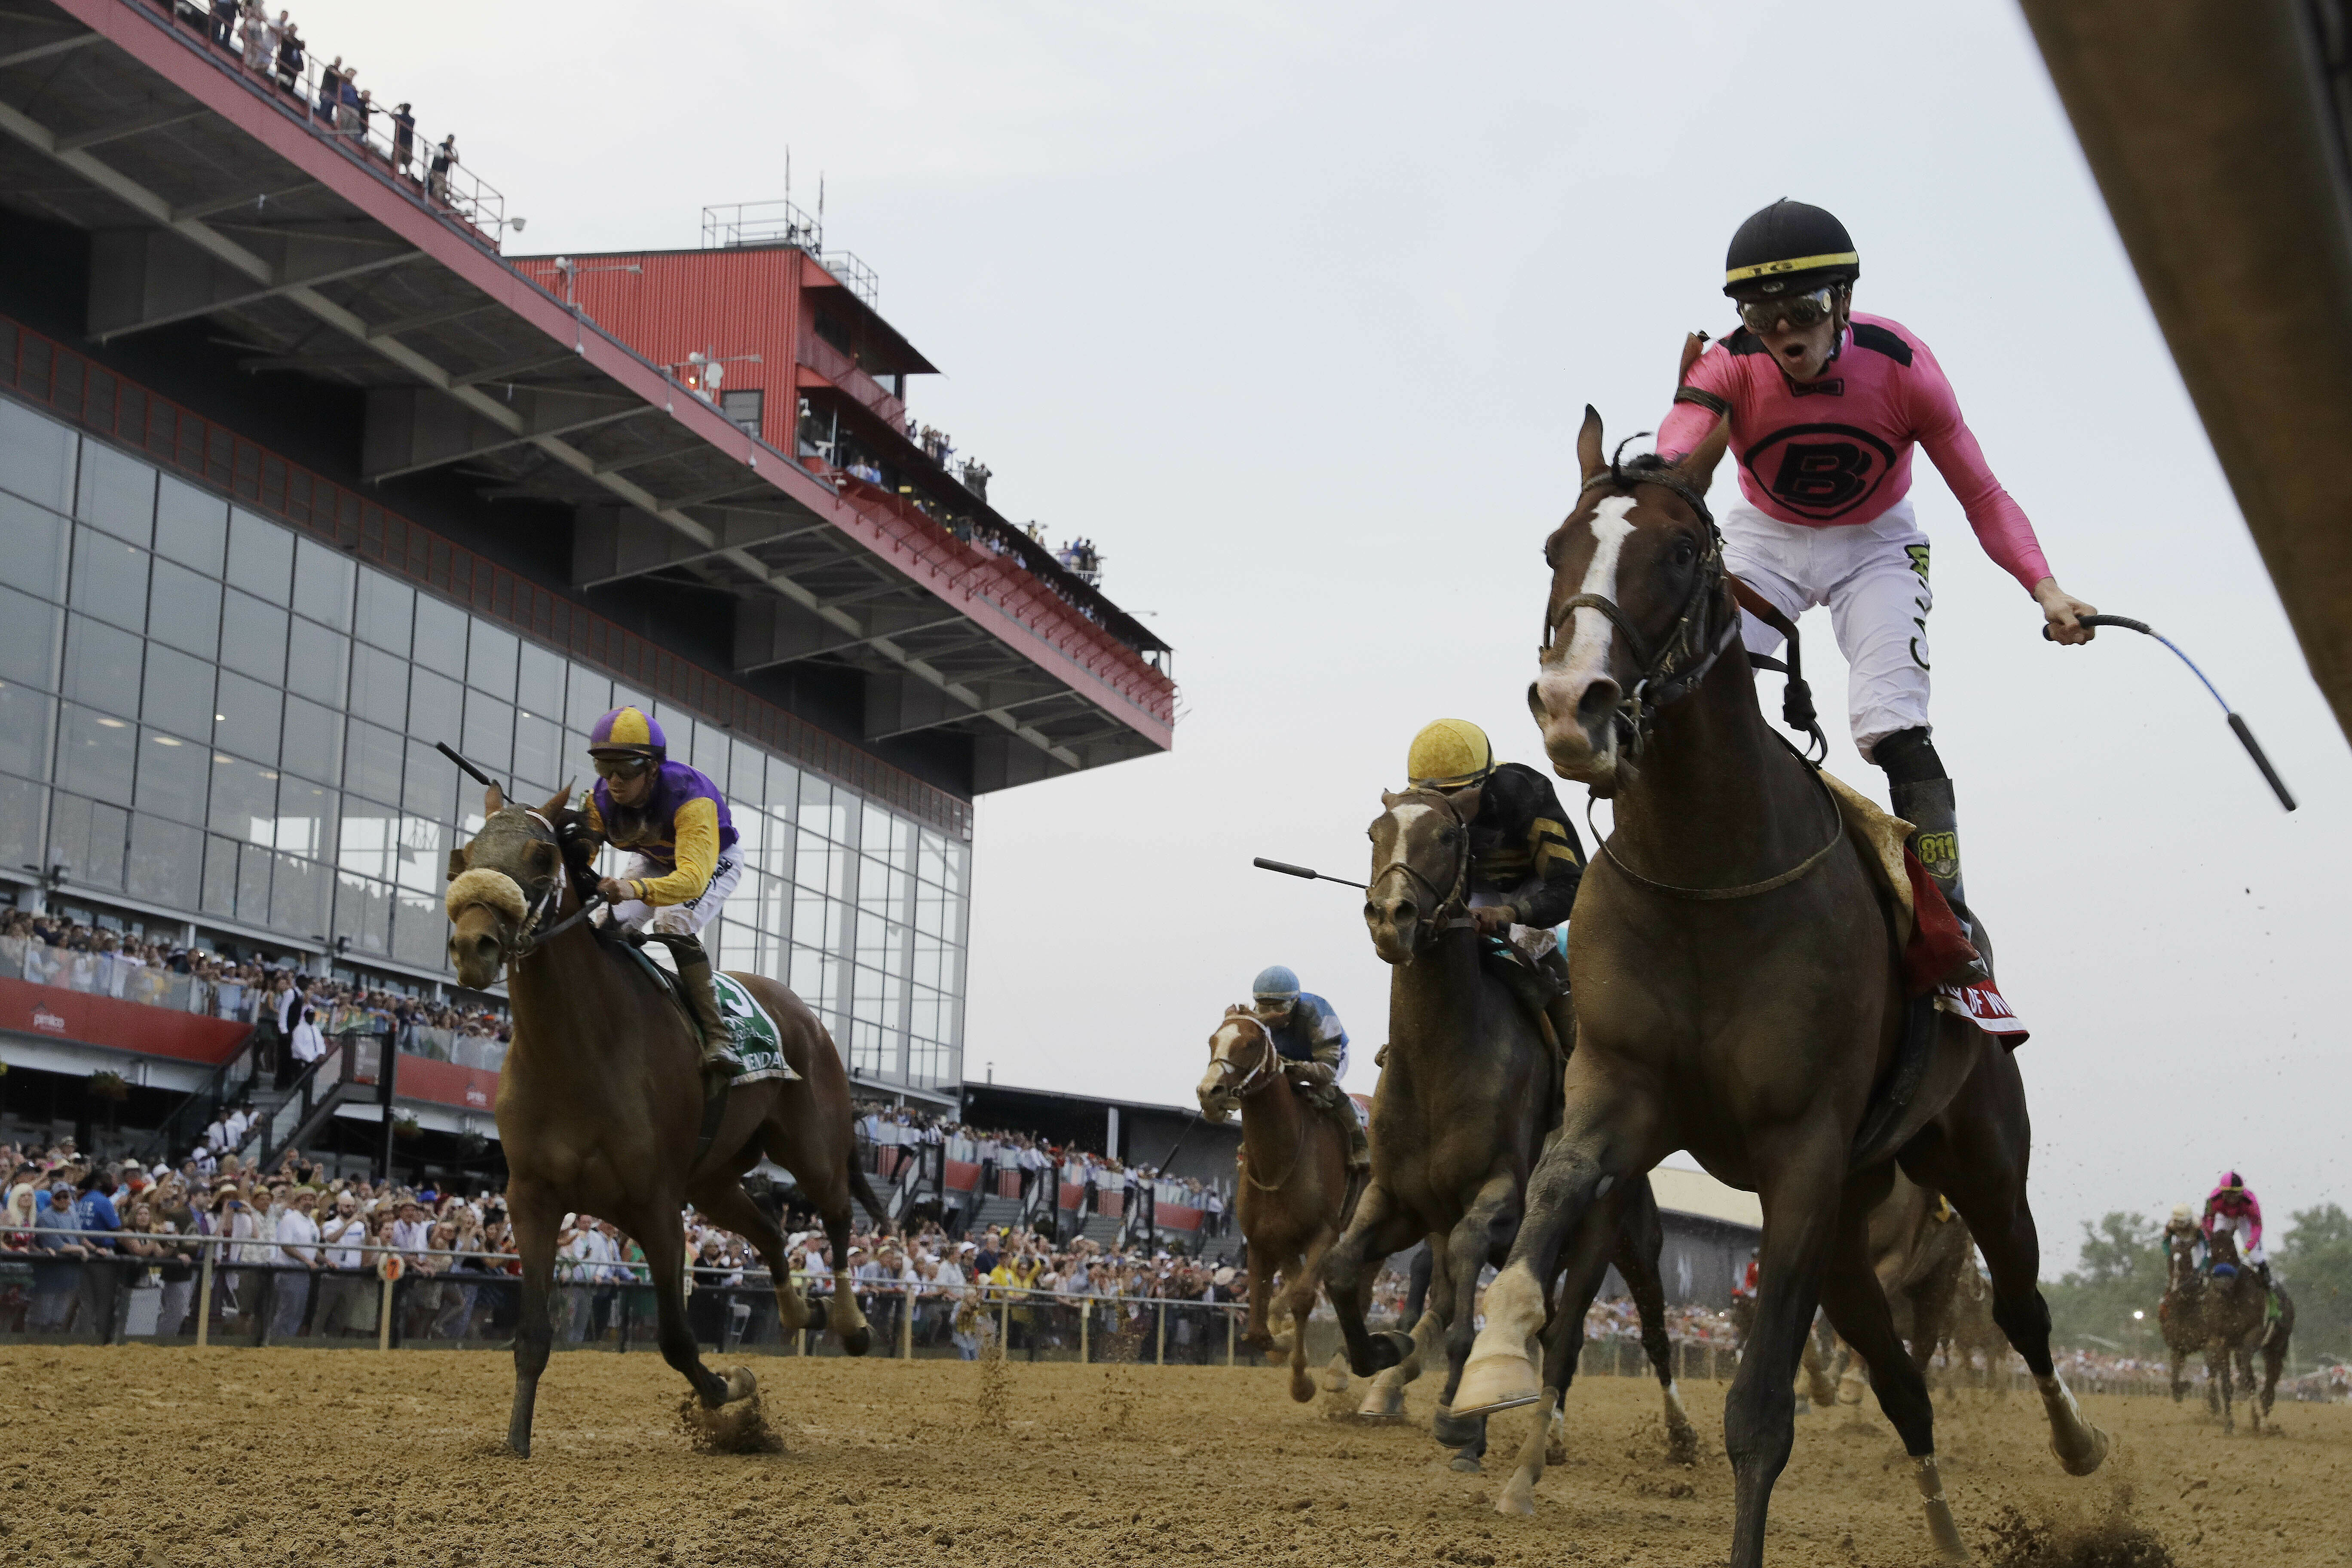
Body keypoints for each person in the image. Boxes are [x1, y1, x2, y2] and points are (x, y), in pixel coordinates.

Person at [1654, 200, 2100, 983]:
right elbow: (1674, 453)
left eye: (1804, 309)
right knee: (1682, 693)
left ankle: (1948, 919)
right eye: (1762, 315)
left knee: (1892, 724)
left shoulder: (1901, 365)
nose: (1784, 333)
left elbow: (1983, 494)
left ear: (1844, 303)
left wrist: (2046, 587)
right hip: (1766, 540)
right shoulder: (1727, 360)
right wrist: (1674, 444)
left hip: (1876, 543)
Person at [577, 705, 791, 1082]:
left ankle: (717, 1035)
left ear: (653, 767)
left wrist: (631, 888)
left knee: (672, 919)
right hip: (654, 860)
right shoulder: (598, 800)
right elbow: (582, 855)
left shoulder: (691, 797)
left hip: (711, 860)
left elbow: (692, 879)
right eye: (603, 768)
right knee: (605, 925)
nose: (614, 781)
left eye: (625, 769)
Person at [1402, 718, 1583, 1055]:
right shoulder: (1416, 815)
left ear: (1483, 785)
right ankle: (1407, 1045)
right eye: (1430, 797)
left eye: (1455, 796)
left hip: (1529, 887)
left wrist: (1505, 914)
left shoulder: (1525, 792)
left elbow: (1573, 886)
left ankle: (1574, 1046)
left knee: (1536, 948)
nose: (1443, 807)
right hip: (1470, 891)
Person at [1247, 965, 1368, 1172]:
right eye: (1264, 1008)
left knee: (1326, 1088)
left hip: (1327, 1056)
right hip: (1288, 1057)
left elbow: (1327, 1071)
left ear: (1294, 1002)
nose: (1271, 1016)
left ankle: (1360, 1143)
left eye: (1279, 1008)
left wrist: (1292, 1067)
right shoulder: (1257, 1017)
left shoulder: (1318, 1012)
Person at [2201, 1171, 2267, 1283]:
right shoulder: (2212, 1199)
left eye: (2236, 1193)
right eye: (2229, 1194)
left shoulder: (2250, 1201)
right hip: (2224, 1216)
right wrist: (2211, 1238)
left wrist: (2248, 1248)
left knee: (2254, 1256)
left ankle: (2268, 1279)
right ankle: (2205, 1277)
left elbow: (2257, 1226)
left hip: (2244, 1218)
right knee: (2216, 1247)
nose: (2233, 1198)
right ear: (2222, 1192)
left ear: (2242, 1192)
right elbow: (2207, 1220)